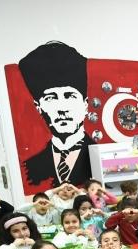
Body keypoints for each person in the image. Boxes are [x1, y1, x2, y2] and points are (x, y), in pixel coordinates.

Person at [17, 42, 94, 189]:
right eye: (50, 98)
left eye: (70, 96)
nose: (62, 109)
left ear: (85, 104)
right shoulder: (30, 167)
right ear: (39, 108)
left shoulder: (99, 158)